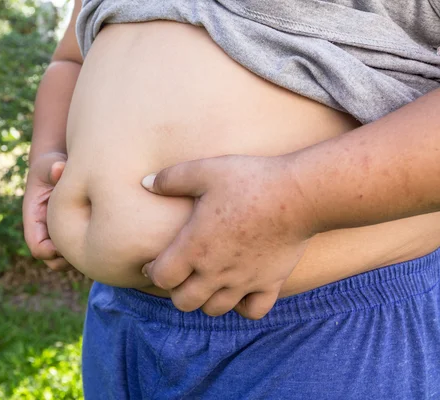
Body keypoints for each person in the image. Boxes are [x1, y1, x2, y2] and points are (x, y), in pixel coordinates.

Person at [23, 0, 440, 398]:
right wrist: (48, 155)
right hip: (121, 321)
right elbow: (71, 60)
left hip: (318, 331)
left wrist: (299, 196)